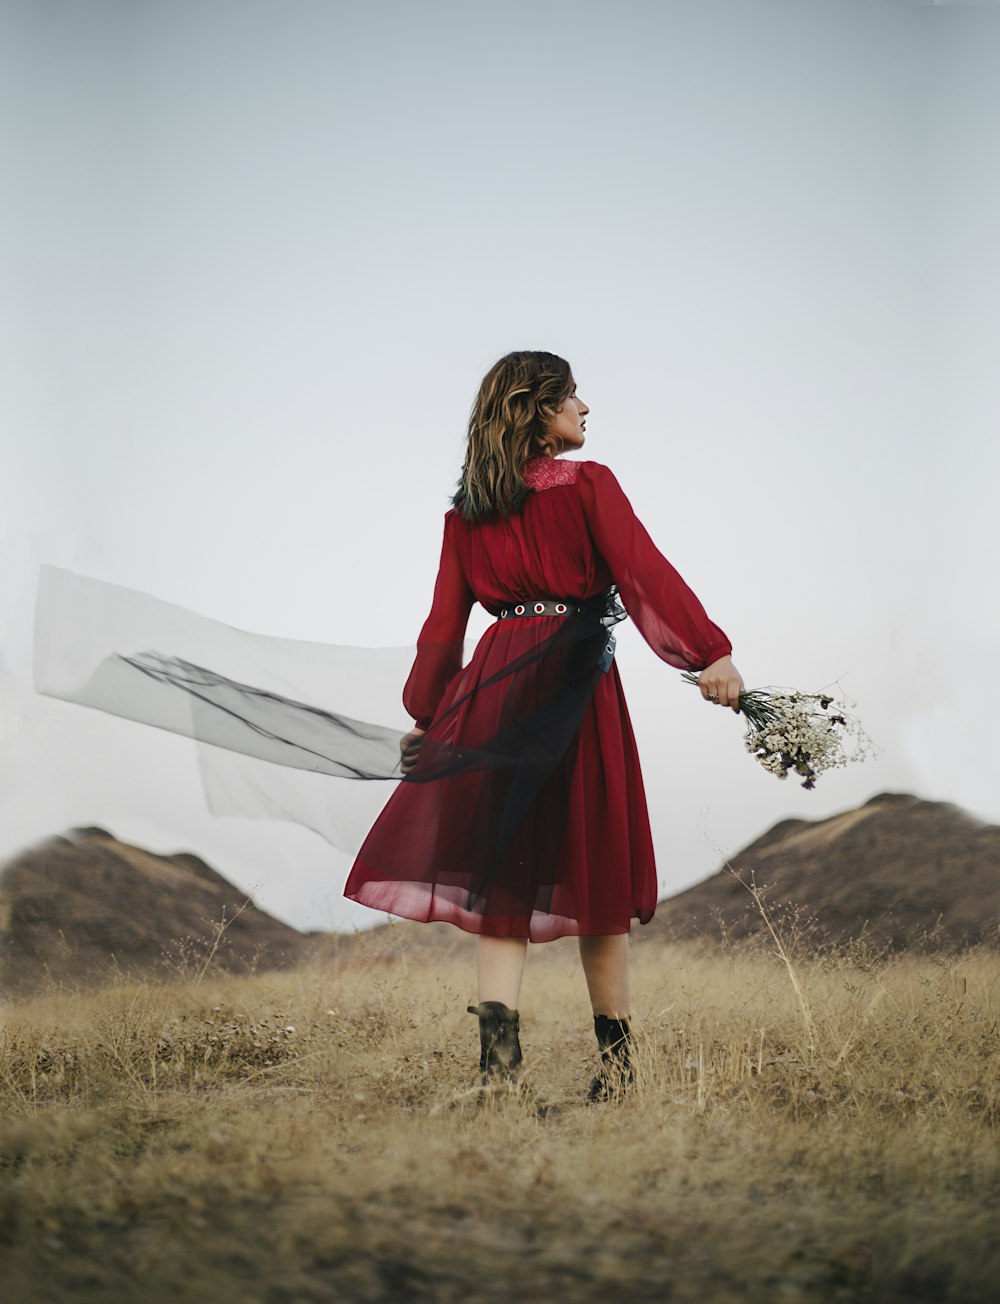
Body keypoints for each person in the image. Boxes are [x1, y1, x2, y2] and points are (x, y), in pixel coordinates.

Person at [342, 350, 743, 1100]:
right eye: (572, 398)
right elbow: (644, 573)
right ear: (538, 410)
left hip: (493, 689)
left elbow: (442, 630)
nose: (586, 409)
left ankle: (499, 1078)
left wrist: (432, 713)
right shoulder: (590, 485)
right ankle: (618, 1074)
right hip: (572, 681)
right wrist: (708, 653)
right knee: (597, 860)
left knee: (504, 872)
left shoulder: (467, 515)